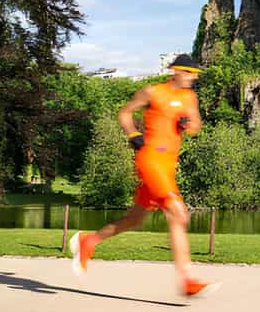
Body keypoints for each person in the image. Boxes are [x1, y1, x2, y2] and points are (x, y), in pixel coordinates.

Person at [69, 54, 218, 296]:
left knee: (134, 219)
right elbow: (125, 113)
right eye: (190, 73)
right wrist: (132, 135)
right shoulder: (152, 92)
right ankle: (187, 279)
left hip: (168, 165)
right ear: (176, 71)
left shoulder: (189, 96)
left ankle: (89, 241)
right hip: (150, 158)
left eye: (195, 74)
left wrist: (186, 123)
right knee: (177, 213)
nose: (193, 77)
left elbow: (195, 126)